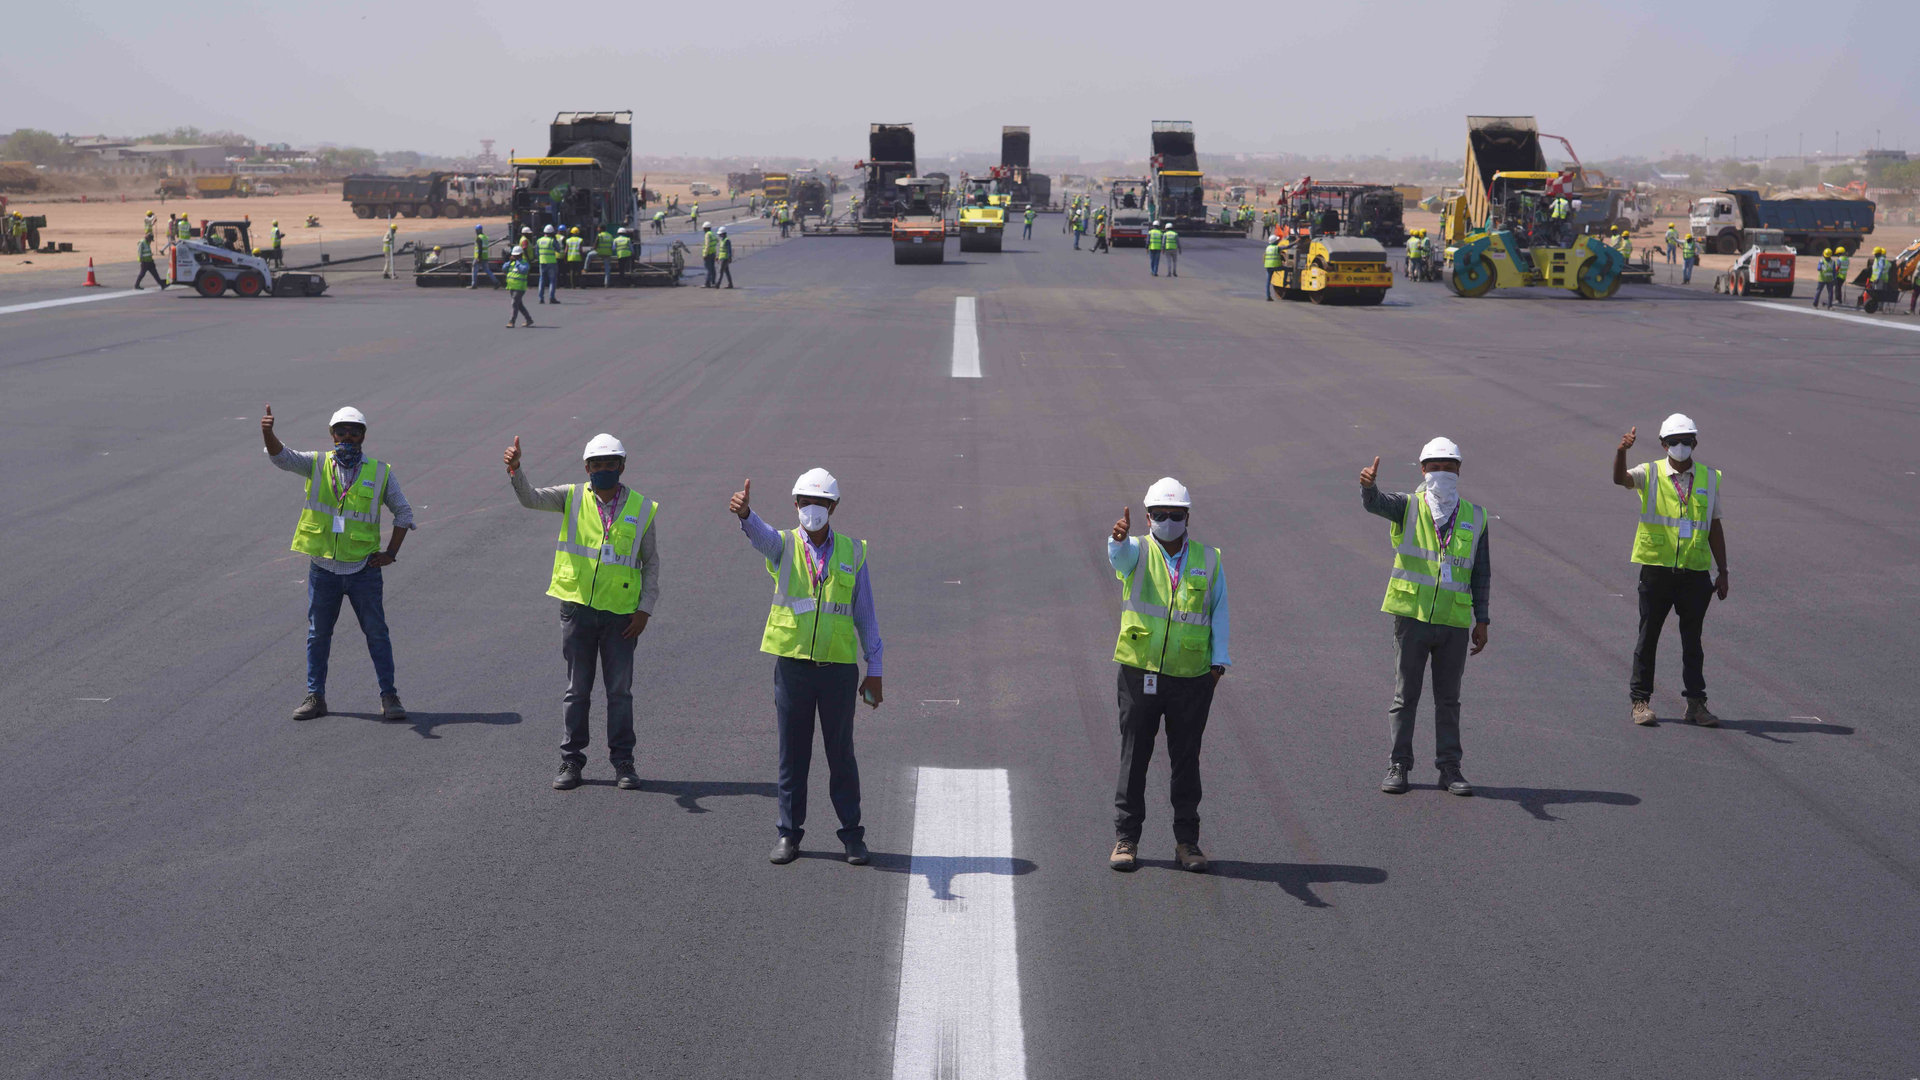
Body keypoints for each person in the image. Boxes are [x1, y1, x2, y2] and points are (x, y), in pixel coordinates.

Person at [728, 470, 883, 866]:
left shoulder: (852, 552)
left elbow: (865, 613)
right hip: (793, 667)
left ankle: (852, 835)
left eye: (821, 503)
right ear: (795, 504)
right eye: (806, 502)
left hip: (838, 670)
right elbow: (762, 537)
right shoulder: (783, 545)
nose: (812, 509)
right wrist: (746, 515)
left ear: (834, 507)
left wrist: (875, 668)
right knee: (793, 755)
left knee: (841, 754)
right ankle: (788, 834)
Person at [505, 434, 660, 791]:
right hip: (577, 609)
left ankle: (623, 761)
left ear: (622, 466)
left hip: (622, 616)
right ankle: (571, 761)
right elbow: (530, 498)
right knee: (577, 690)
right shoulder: (571, 496)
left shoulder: (642, 508)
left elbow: (651, 563)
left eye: (610, 463)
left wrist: (645, 609)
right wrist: (515, 469)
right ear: (587, 468)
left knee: (619, 691)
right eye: (597, 464)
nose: (603, 469)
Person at [1104, 478, 1229, 874]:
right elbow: (1119, 560)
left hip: (1191, 676)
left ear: (1187, 517)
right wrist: (1117, 541)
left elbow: (1219, 611)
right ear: (1148, 517)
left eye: (1176, 515)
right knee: (1134, 757)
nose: (1168, 521)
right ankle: (1126, 838)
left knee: (1186, 761)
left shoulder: (1209, 559)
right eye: (1160, 514)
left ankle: (1187, 842)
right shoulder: (1136, 550)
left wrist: (1218, 664)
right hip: (1139, 672)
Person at [261, 405, 413, 723]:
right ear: (332, 434)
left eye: (354, 432)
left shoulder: (380, 472)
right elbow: (281, 457)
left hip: (363, 571)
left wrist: (391, 553)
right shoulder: (316, 464)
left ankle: (389, 696)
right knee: (318, 635)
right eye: (341, 431)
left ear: (363, 436)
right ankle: (315, 697)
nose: (347, 436)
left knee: (377, 634)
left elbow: (404, 512)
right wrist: (267, 433)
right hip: (324, 569)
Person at [1359, 438, 1490, 797]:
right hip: (1412, 618)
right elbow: (1377, 504)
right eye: (1434, 467)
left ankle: (1449, 768)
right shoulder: (1409, 506)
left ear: (1459, 470)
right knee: (1406, 696)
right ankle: (1398, 764)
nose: (1441, 473)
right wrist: (1368, 488)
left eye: (1448, 467)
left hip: (1453, 622)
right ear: (1422, 470)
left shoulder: (1476, 516)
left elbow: (1481, 573)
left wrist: (1482, 620)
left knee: (1449, 700)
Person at [1613, 415, 1727, 727]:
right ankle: (1640, 702)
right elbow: (1620, 479)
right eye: (1674, 441)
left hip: (1695, 572)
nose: (1680, 446)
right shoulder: (1649, 472)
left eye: (1686, 441)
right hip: (1657, 570)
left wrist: (1724, 570)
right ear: (1663, 444)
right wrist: (1621, 451)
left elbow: (1714, 526)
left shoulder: (1709, 478)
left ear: (1695, 443)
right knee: (1648, 637)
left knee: (1693, 642)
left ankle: (1696, 704)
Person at [504, 245, 534, 327]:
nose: (514, 257)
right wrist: (509, 262)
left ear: (520, 255)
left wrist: (517, 262)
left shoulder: (524, 263)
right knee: (519, 305)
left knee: (514, 303)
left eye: (516, 255)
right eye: (513, 255)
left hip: (520, 287)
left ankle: (512, 321)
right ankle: (529, 319)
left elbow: (523, 270)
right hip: (512, 286)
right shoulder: (511, 262)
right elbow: (504, 269)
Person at [536, 224, 560, 304]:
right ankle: (551, 298)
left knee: (542, 280)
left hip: (542, 262)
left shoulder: (539, 240)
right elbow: (559, 249)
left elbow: (536, 253)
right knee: (552, 281)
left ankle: (540, 298)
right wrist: (555, 240)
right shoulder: (552, 240)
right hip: (551, 262)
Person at [469, 224, 498, 289]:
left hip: (479, 257)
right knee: (488, 271)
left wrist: (479, 258)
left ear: (477, 231)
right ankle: (496, 282)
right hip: (485, 257)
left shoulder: (479, 238)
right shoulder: (485, 237)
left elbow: (480, 248)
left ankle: (473, 285)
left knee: (474, 271)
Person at [1263, 230, 1283, 299]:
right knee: (1286, 269)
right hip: (1275, 266)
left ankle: (1268, 296)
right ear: (1275, 242)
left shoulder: (1267, 248)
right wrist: (1295, 242)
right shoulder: (1277, 248)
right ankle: (1285, 283)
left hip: (1268, 267)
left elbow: (1264, 257)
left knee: (1268, 281)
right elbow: (1286, 247)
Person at [700, 222, 718, 287]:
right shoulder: (712, 233)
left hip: (708, 254)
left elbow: (707, 245)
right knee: (712, 268)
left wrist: (705, 254)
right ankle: (713, 282)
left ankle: (707, 283)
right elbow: (717, 240)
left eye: (704, 228)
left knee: (707, 269)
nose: (703, 230)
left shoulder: (707, 234)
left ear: (706, 228)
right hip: (713, 253)